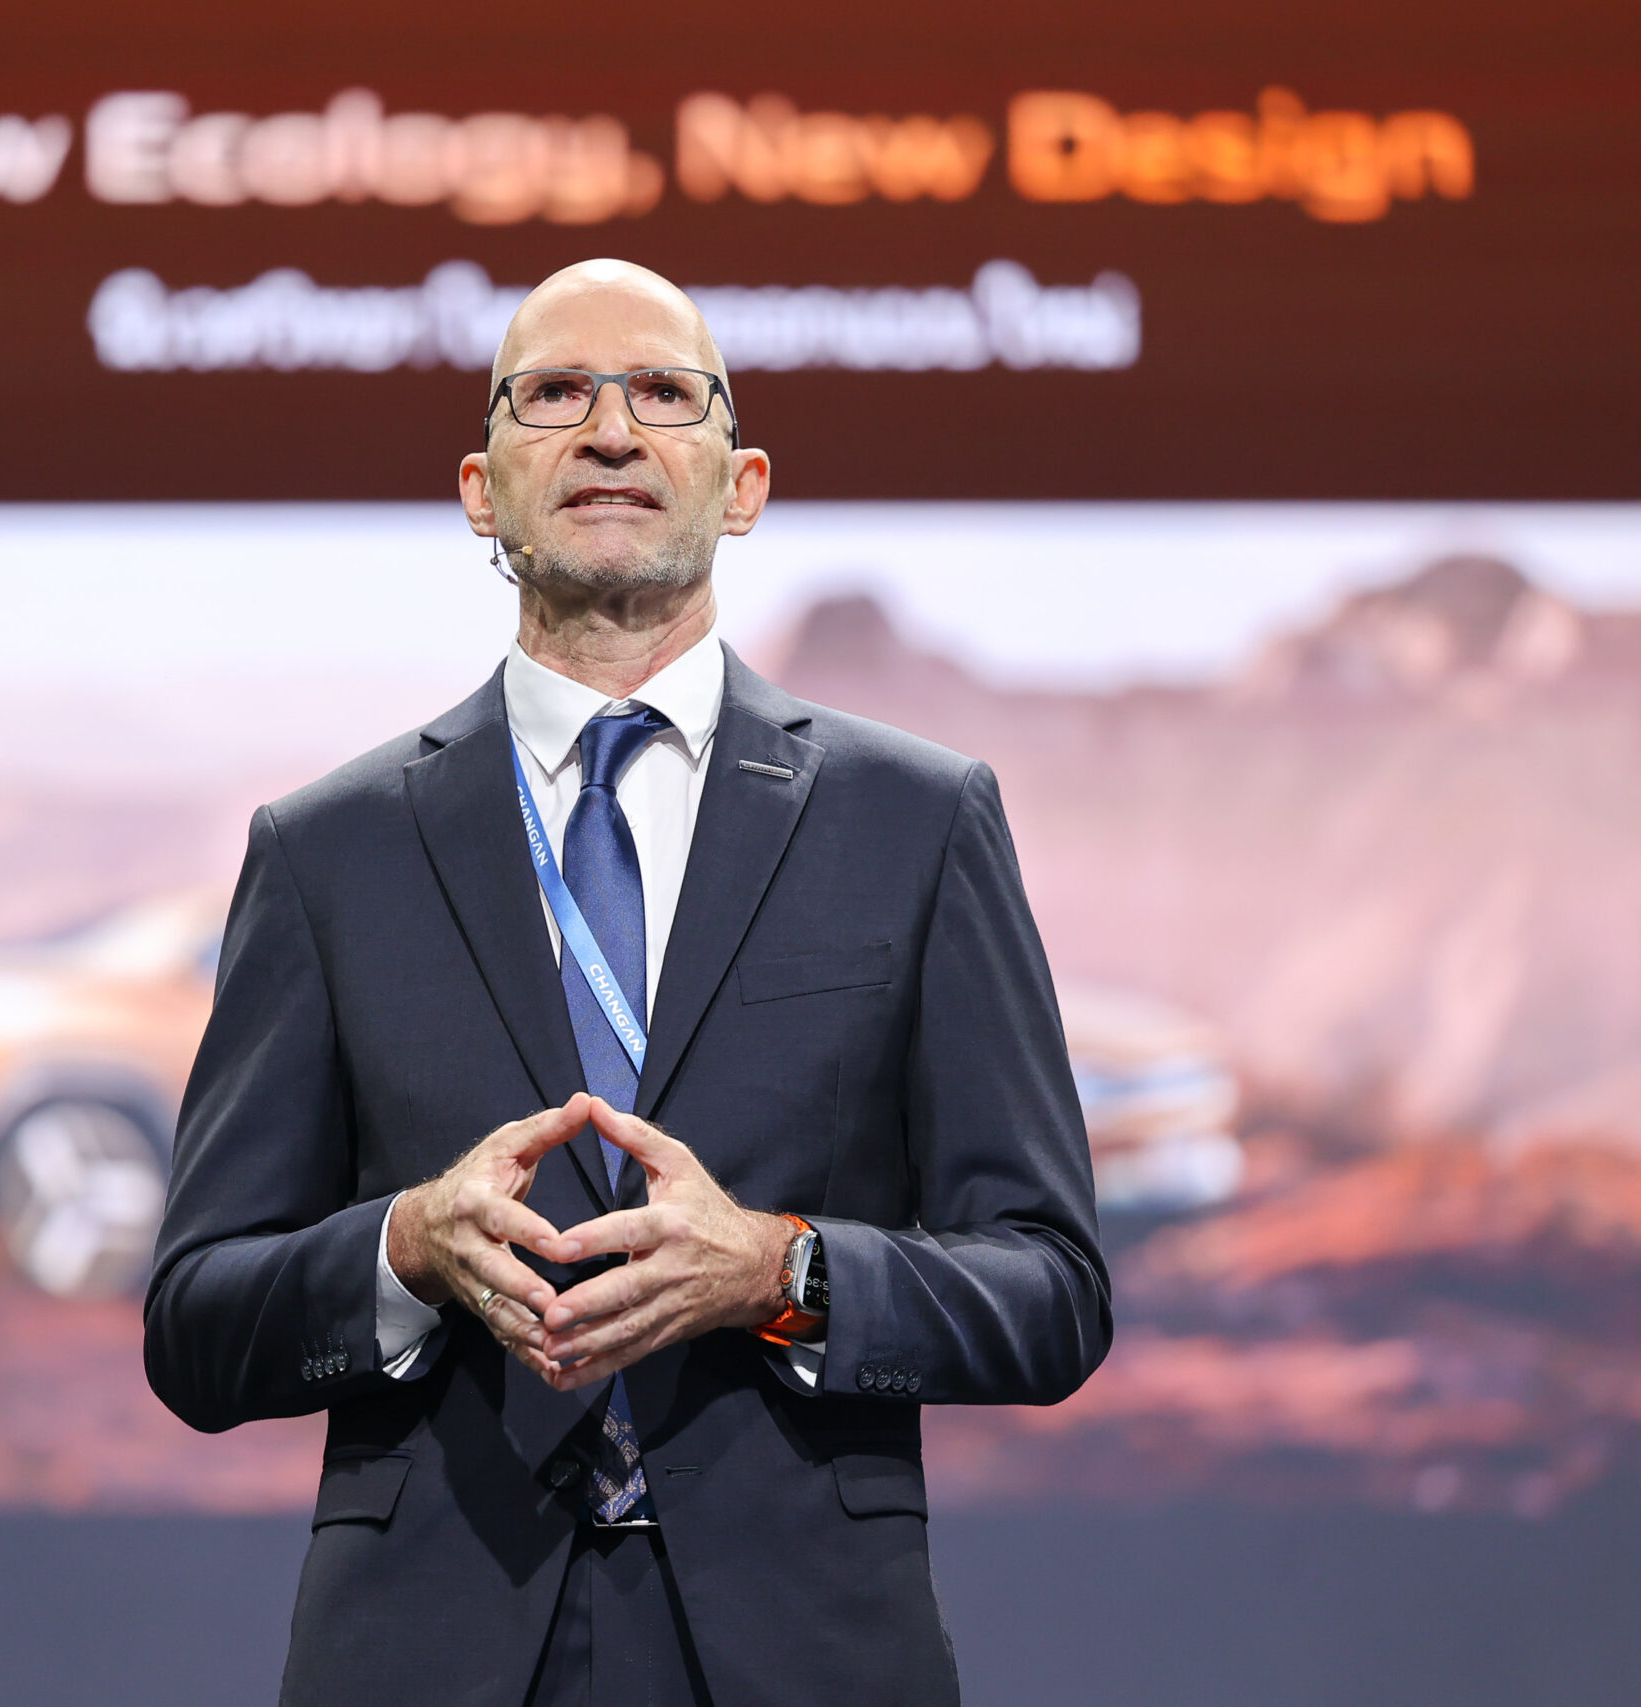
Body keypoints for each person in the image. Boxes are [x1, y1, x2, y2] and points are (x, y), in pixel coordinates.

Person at [144, 258, 1109, 1706]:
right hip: (431, 1656)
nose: (609, 431)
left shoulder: (916, 821)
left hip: (804, 1652)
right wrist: (405, 1248)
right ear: (481, 492)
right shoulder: (328, 850)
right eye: (554, 395)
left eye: (663, 392)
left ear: (744, 487)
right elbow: (197, 1324)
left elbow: (1051, 1289)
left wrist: (780, 1272)